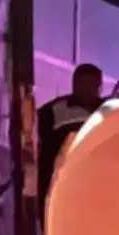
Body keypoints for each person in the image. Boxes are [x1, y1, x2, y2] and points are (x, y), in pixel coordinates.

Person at [37, 63, 103, 223]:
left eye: (92, 85)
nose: (87, 89)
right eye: (83, 83)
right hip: (63, 188)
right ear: (74, 84)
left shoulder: (108, 111)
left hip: (98, 188)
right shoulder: (54, 110)